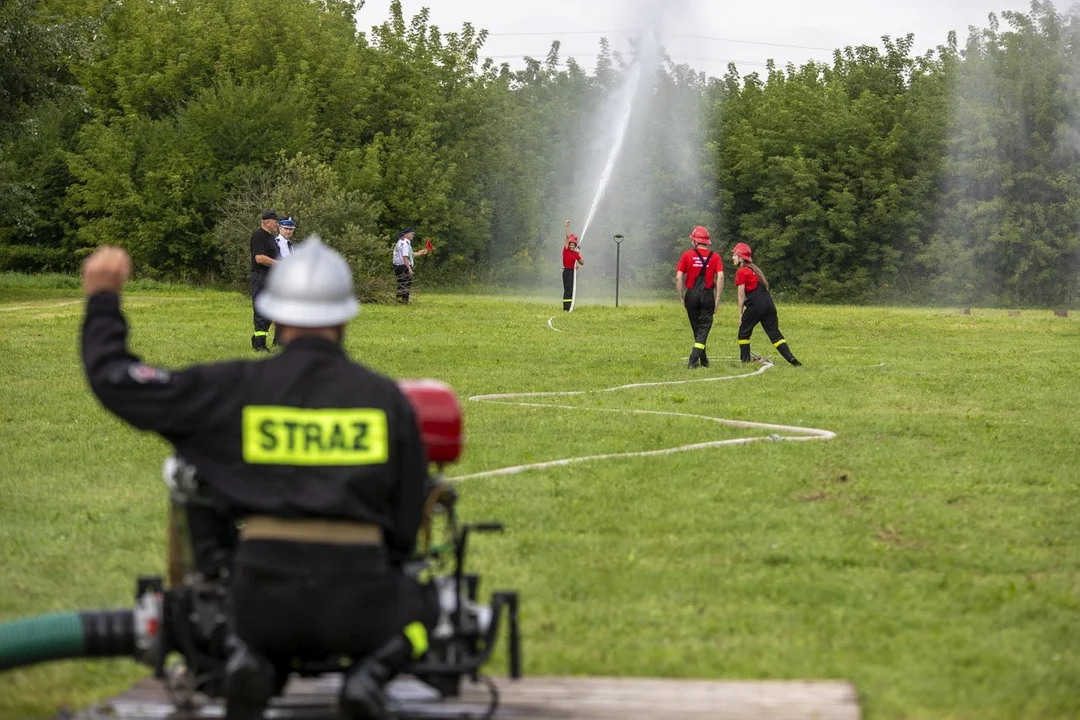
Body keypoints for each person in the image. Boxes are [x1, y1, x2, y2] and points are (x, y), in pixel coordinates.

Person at [79, 237, 439, 720]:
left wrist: (103, 299)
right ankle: (369, 674)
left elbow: (119, 379)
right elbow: (404, 525)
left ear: (272, 312)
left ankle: (242, 657)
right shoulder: (388, 401)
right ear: (346, 315)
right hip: (364, 611)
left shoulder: (233, 390)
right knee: (428, 609)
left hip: (255, 609)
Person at [731, 242, 802, 366]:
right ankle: (792, 360)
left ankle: (745, 361)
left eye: (735, 255)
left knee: (743, 332)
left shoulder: (742, 271)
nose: (732, 257)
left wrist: (740, 314)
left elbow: (741, 294)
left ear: (741, 258)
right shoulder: (755, 270)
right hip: (769, 305)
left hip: (756, 306)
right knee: (774, 333)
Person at [675, 225, 724, 369]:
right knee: (703, 329)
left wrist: (681, 297)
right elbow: (720, 277)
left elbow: (679, 278)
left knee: (697, 329)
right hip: (707, 295)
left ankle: (703, 361)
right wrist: (717, 299)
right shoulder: (715, 257)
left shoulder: (687, 255)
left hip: (691, 295)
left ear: (695, 241)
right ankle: (694, 360)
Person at [249, 210, 279, 353]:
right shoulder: (258, 236)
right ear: (267, 222)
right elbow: (259, 258)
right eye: (275, 222)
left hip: (271, 278)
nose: (276, 225)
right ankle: (260, 345)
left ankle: (257, 340)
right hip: (260, 276)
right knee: (261, 309)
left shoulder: (271, 238)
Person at [271, 217, 296, 348]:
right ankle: (277, 339)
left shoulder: (291, 246)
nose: (288, 231)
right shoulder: (276, 243)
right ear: (280, 228)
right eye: (286, 228)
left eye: (290, 229)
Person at [391, 228, 430, 304]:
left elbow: (410, 255)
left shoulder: (401, 243)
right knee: (405, 285)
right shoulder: (405, 244)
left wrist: (420, 252)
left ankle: (398, 301)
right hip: (403, 267)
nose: (413, 236)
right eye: (412, 234)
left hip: (399, 267)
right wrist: (409, 269)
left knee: (401, 285)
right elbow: (405, 257)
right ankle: (404, 302)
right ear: (406, 235)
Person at [561, 220, 583, 312]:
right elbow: (567, 237)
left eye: (574, 245)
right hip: (567, 272)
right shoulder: (566, 250)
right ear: (569, 244)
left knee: (572, 289)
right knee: (568, 289)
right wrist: (566, 227)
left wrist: (578, 254)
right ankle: (566, 308)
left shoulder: (575, 253)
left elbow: (582, 262)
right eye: (571, 244)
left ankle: (570, 306)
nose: (572, 246)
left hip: (573, 272)